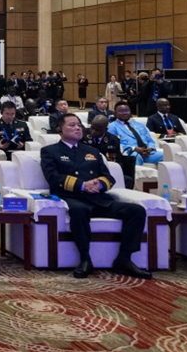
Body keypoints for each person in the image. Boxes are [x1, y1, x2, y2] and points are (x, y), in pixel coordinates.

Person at [40, 115, 151, 280]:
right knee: (79, 210)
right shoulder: (50, 151)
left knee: (136, 210)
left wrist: (99, 184)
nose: (78, 128)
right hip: (72, 197)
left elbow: (109, 177)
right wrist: (83, 185)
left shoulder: (92, 151)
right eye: (72, 125)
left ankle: (124, 259)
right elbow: (53, 178)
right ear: (59, 129)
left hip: (99, 199)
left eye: (79, 125)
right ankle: (85, 259)